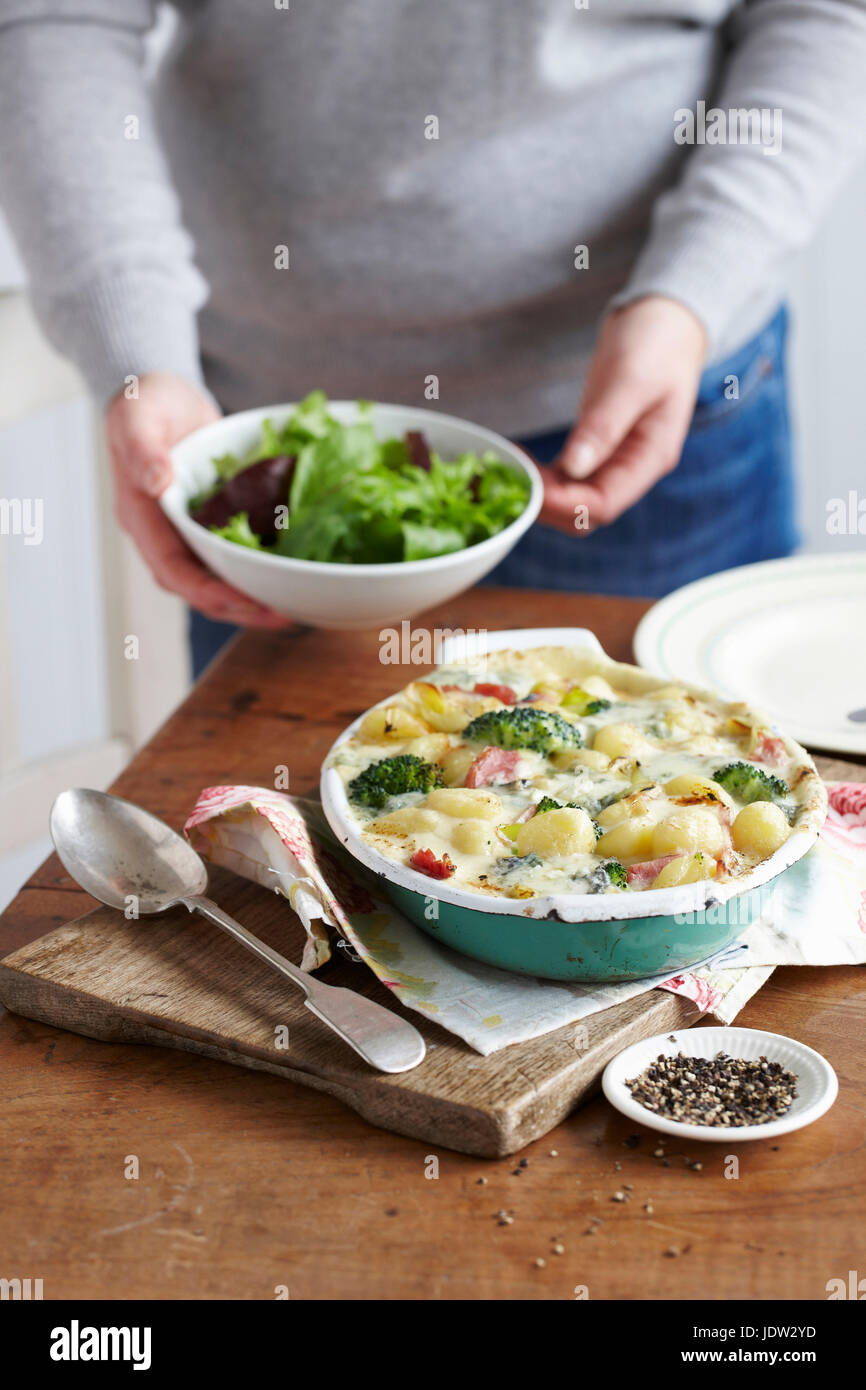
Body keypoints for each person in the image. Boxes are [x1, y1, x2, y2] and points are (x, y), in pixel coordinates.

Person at [1, 1, 865, 677]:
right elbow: (55, 15)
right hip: (270, 448)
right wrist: (134, 343)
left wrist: (693, 289)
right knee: (287, 861)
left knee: (686, 822)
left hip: (658, 416)